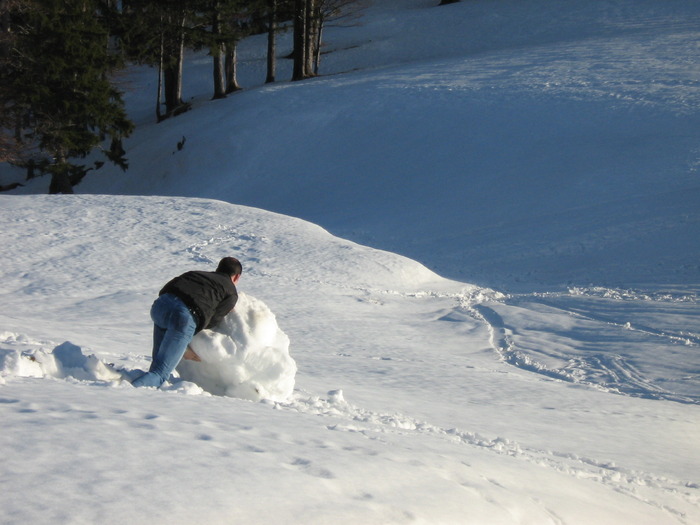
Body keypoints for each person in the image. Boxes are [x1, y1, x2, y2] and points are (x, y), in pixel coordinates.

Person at [131, 257, 242, 388]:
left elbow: (165, 289)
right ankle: (123, 393)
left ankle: (142, 392)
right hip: (183, 317)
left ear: (218, 269)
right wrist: (187, 339)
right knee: (159, 373)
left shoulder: (195, 273)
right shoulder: (230, 292)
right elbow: (213, 320)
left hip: (160, 307)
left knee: (157, 365)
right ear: (236, 277)